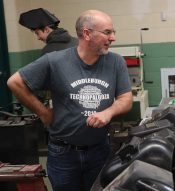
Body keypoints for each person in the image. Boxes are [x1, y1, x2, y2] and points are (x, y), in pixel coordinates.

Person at [7, 10, 133, 191]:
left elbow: (125, 99)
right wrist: (43, 112)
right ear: (87, 33)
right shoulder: (55, 61)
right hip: (63, 154)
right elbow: (15, 82)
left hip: (100, 150)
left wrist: (108, 112)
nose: (113, 38)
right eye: (107, 32)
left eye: (113, 32)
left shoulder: (116, 62)